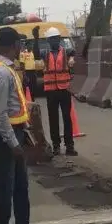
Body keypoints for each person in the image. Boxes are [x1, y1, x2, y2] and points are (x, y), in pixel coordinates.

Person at [0, 27, 50, 224]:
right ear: (12, 45)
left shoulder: (7, 69)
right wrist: (13, 143)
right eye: (19, 45)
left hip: (16, 132)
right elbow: (0, 114)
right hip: (7, 136)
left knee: (20, 187)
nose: (21, 49)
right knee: (7, 188)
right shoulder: (2, 73)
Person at [33, 26, 76, 156]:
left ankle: (69, 146)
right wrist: (35, 39)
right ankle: (56, 145)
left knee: (67, 118)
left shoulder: (66, 52)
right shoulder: (45, 54)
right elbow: (35, 54)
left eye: (56, 39)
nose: (55, 41)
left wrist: (72, 57)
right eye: (52, 39)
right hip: (51, 90)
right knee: (53, 119)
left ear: (59, 39)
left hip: (64, 89)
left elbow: (74, 51)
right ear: (48, 41)